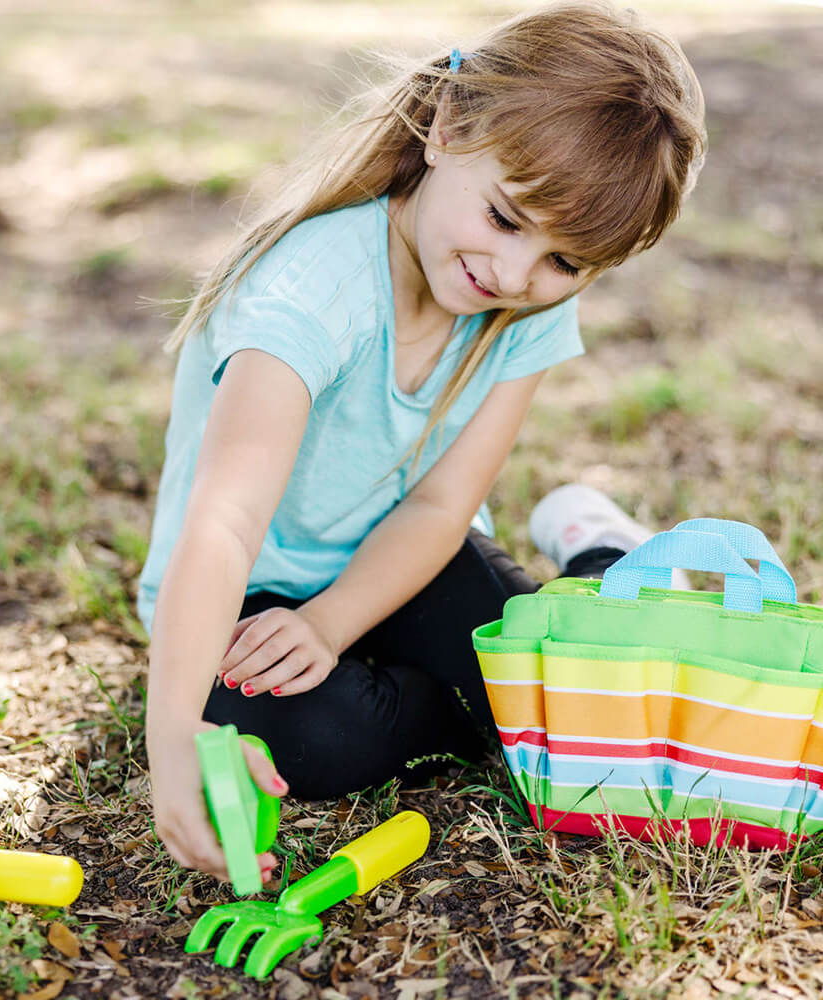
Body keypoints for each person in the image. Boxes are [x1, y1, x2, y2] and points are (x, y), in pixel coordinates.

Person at [139, 1, 706, 883]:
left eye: (565, 264)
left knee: (580, 702)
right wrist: (174, 737)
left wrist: (332, 624)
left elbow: (442, 506)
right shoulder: (311, 291)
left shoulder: (519, 309)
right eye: (508, 220)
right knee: (310, 738)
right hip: (248, 588)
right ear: (447, 126)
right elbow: (224, 521)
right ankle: (473, 704)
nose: (516, 277)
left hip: (410, 562)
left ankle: (598, 555)